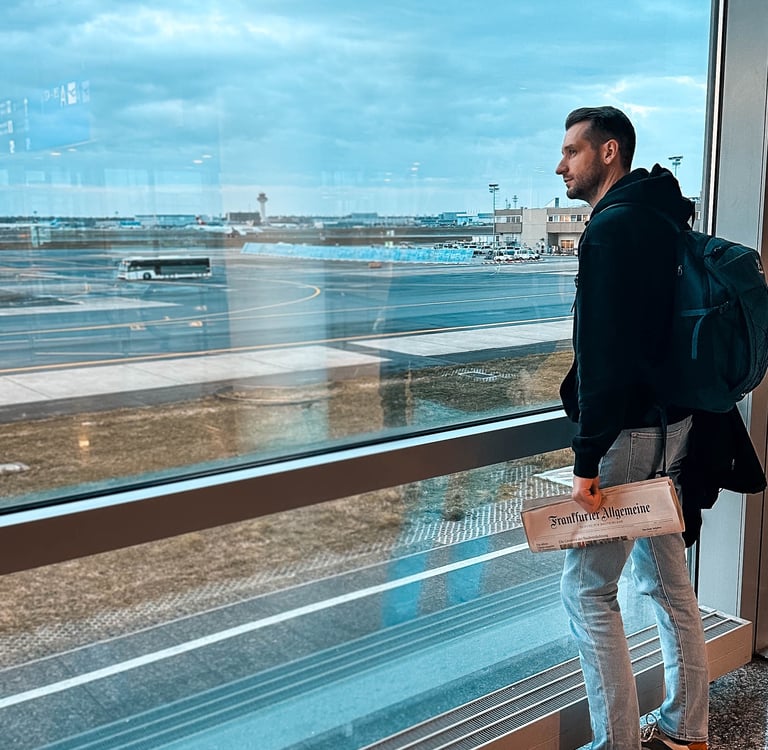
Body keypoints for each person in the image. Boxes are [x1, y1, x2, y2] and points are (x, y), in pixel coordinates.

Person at [555, 106, 709, 750]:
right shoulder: (663, 216)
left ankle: (616, 743)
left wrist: (587, 460)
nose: (560, 165)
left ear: (609, 152)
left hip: (626, 438)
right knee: (669, 584)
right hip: (674, 428)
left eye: (572, 151)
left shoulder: (611, 230)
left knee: (588, 593)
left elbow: (603, 354)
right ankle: (687, 729)